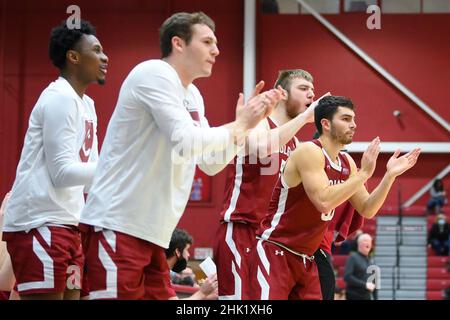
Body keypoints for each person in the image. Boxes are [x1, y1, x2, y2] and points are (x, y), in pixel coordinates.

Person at [79, 11, 282, 300]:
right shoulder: (153, 73)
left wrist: (244, 129)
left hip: (154, 235)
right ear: (178, 43)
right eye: (208, 41)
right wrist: (240, 125)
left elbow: (211, 163)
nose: (217, 50)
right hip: (117, 224)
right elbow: (187, 142)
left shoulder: (193, 95)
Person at [248, 95, 421, 299]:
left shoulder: (347, 161)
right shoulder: (309, 151)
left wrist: (389, 176)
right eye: (346, 119)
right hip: (277, 249)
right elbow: (323, 201)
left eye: (354, 119)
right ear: (326, 124)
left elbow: (367, 208)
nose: (353, 125)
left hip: (307, 257)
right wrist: (364, 174)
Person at [1, 20, 108, 300]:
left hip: (69, 223)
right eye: (96, 50)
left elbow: (90, 177)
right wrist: (118, 168)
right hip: (40, 221)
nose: (104, 57)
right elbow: (61, 173)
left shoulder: (88, 105)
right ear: (73, 57)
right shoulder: (59, 98)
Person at [213, 69, 330, 299]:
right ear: (282, 93)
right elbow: (262, 148)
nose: (311, 96)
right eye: (304, 89)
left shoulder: (297, 143)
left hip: (270, 240)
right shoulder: (258, 123)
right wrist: (305, 119)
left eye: (313, 91)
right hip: (241, 229)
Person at [165, 228, 218, 300]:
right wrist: (202, 292)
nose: (188, 254)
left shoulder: (162, 273)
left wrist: (205, 296)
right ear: (177, 251)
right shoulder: (159, 276)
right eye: (186, 250)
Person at [344, 233, 377, 300]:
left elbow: (373, 282)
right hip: (354, 295)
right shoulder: (353, 257)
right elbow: (347, 277)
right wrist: (365, 285)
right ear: (359, 244)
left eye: (369, 241)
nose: (368, 243)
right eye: (365, 241)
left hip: (366, 296)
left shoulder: (371, 261)